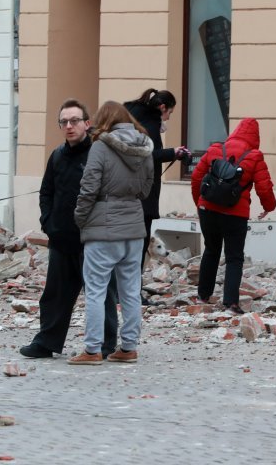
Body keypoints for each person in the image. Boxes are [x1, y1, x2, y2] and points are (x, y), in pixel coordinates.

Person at [19, 99, 118, 360]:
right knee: (55, 295)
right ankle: (46, 342)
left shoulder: (100, 153)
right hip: (61, 238)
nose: (69, 126)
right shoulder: (57, 155)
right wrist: (48, 222)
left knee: (100, 294)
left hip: (92, 240)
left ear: (87, 123)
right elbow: (46, 192)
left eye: (74, 120)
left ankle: (106, 345)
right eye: (64, 122)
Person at [68, 101, 154, 365]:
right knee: (130, 291)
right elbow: (148, 186)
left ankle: (92, 350)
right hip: (134, 227)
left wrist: (80, 218)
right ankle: (128, 347)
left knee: (96, 290)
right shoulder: (145, 146)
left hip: (104, 228)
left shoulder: (100, 147)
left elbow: (89, 187)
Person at [190, 118, 276, 314]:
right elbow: (264, 187)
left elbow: (196, 177)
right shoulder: (254, 156)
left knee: (211, 250)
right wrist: (269, 207)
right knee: (234, 257)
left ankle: (203, 296)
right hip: (235, 213)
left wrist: (199, 202)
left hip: (208, 210)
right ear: (256, 137)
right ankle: (231, 303)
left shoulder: (215, 149)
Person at [124, 89, 190, 302]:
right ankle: (132, 294)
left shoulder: (131, 116)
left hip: (124, 192)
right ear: (162, 108)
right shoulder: (150, 123)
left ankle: (119, 291)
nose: (168, 118)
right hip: (143, 194)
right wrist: (174, 153)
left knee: (124, 246)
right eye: (169, 112)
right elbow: (149, 155)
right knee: (139, 247)